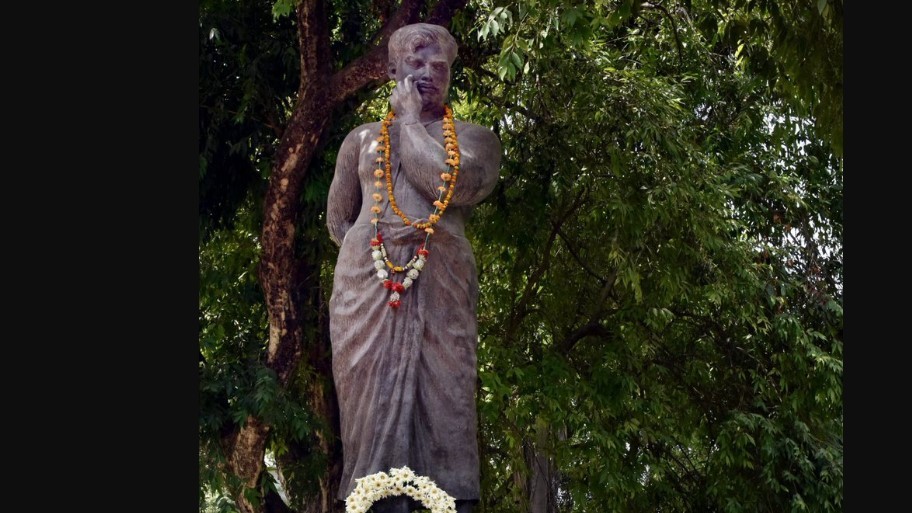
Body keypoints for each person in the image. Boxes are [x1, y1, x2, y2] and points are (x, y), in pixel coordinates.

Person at [326, 23, 502, 513]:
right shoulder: (361, 140)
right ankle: (370, 497)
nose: (427, 73)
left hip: (441, 278)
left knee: (447, 395)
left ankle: (449, 498)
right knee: (364, 403)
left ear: (450, 77)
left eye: (438, 67)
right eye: (415, 63)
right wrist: (369, 253)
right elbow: (338, 218)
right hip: (365, 288)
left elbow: (451, 185)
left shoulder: (475, 139)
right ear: (391, 69)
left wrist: (408, 121)